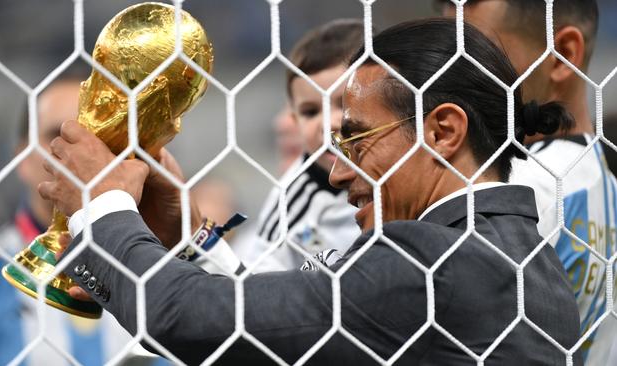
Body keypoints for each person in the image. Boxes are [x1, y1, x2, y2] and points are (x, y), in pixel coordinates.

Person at [38, 19, 581, 364]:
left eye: (355, 139)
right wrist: (190, 240)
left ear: (443, 131)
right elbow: (294, 328)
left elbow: (191, 321)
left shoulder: (431, 262)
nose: (337, 173)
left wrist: (102, 202)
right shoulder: (529, 257)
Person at [435, 0, 615, 363]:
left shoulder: (516, 191)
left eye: (474, 52)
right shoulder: (605, 183)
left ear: (562, 55)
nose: (448, 75)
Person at [0, 72, 136, 366]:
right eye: (56, 136)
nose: (76, 153)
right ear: (22, 156)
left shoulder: (158, 268)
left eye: (98, 137)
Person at [240, 19, 363, 271]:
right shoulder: (293, 197)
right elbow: (256, 281)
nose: (327, 123)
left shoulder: (413, 166)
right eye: (310, 112)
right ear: (294, 120)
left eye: (343, 103)